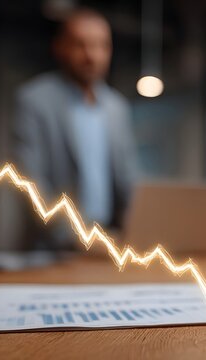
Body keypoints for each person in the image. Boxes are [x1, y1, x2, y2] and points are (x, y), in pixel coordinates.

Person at [12, 8, 138, 250]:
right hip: (53, 250)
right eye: (81, 45)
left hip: (110, 245)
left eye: (102, 45)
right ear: (59, 47)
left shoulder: (117, 107)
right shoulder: (34, 101)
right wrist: (77, 239)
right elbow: (31, 184)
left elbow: (128, 179)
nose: (92, 55)